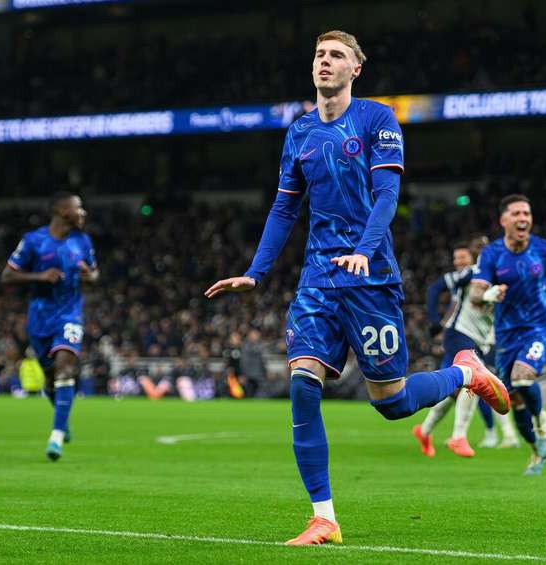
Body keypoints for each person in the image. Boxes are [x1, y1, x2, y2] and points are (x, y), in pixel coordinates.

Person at [204, 30, 509, 546]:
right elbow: (284, 208)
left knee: (390, 403)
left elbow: (388, 195)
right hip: (318, 278)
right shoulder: (298, 132)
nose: (325, 61)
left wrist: (365, 251)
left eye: (337, 55)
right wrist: (256, 270)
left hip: (371, 277)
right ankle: (324, 516)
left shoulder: (376, 120)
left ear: (355, 70)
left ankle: (464, 373)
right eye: (320, 54)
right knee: (303, 382)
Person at [471, 193, 546, 476]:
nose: (523, 218)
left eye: (527, 214)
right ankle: (536, 450)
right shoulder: (492, 254)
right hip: (507, 336)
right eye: (517, 214)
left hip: (541, 327)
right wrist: (489, 293)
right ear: (503, 220)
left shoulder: (545, 250)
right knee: (512, 401)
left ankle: (541, 420)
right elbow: (474, 295)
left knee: (523, 376)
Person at [1, 192, 98, 461]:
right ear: (62, 210)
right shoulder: (34, 241)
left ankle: (56, 436)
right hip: (39, 318)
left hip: (70, 314)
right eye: (79, 208)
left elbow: (95, 273)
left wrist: (90, 276)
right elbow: (7, 275)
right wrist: (40, 276)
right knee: (50, 379)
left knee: (66, 366)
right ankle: (62, 419)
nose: (83, 213)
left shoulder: (83, 240)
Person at [414, 236, 518, 458]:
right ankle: (459, 436)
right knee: (473, 379)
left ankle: (423, 431)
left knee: (453, 391)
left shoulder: (504, 278)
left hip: (478, 340)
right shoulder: (473, 272)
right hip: (459, 333)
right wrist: (435, 320)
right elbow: (440, 288)